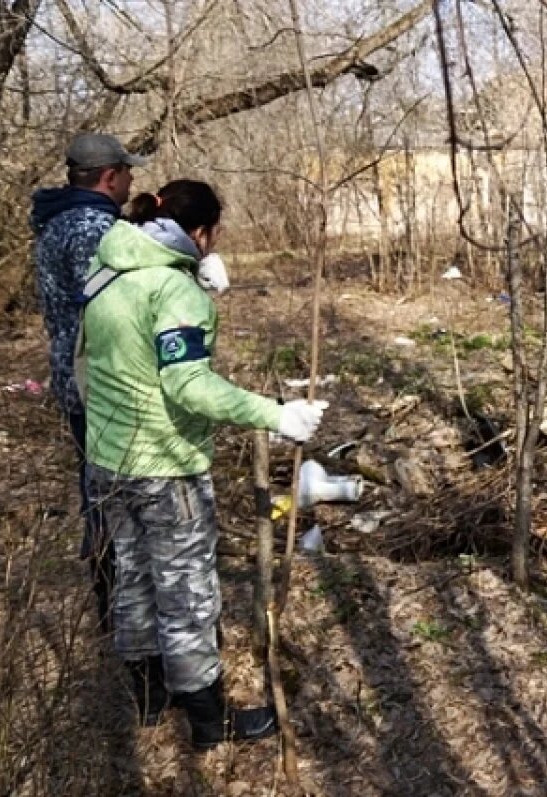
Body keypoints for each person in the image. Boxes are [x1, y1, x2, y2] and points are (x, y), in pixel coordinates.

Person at [78, 179, 326, 748]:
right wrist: (276, 414)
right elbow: (190, 385)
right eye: (213, 237)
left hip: (107, 462)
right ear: (200, 233)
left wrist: (188, 281)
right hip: (165, 467)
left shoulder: (109, 268)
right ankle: (210, 723)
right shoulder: (172, 290)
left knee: (133, 579)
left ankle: (147, 699)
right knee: (186, 594)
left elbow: (89, 361)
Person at [31, 133, 146, 630]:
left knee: (97, 484)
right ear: (109, 176)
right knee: (114, 493)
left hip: (73, 372)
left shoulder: (56, 219)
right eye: (127, 172)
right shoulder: (91, 226)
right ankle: (121, 605)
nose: (132, 180)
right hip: (98, 378)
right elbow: (104, 302)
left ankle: (116, 599)